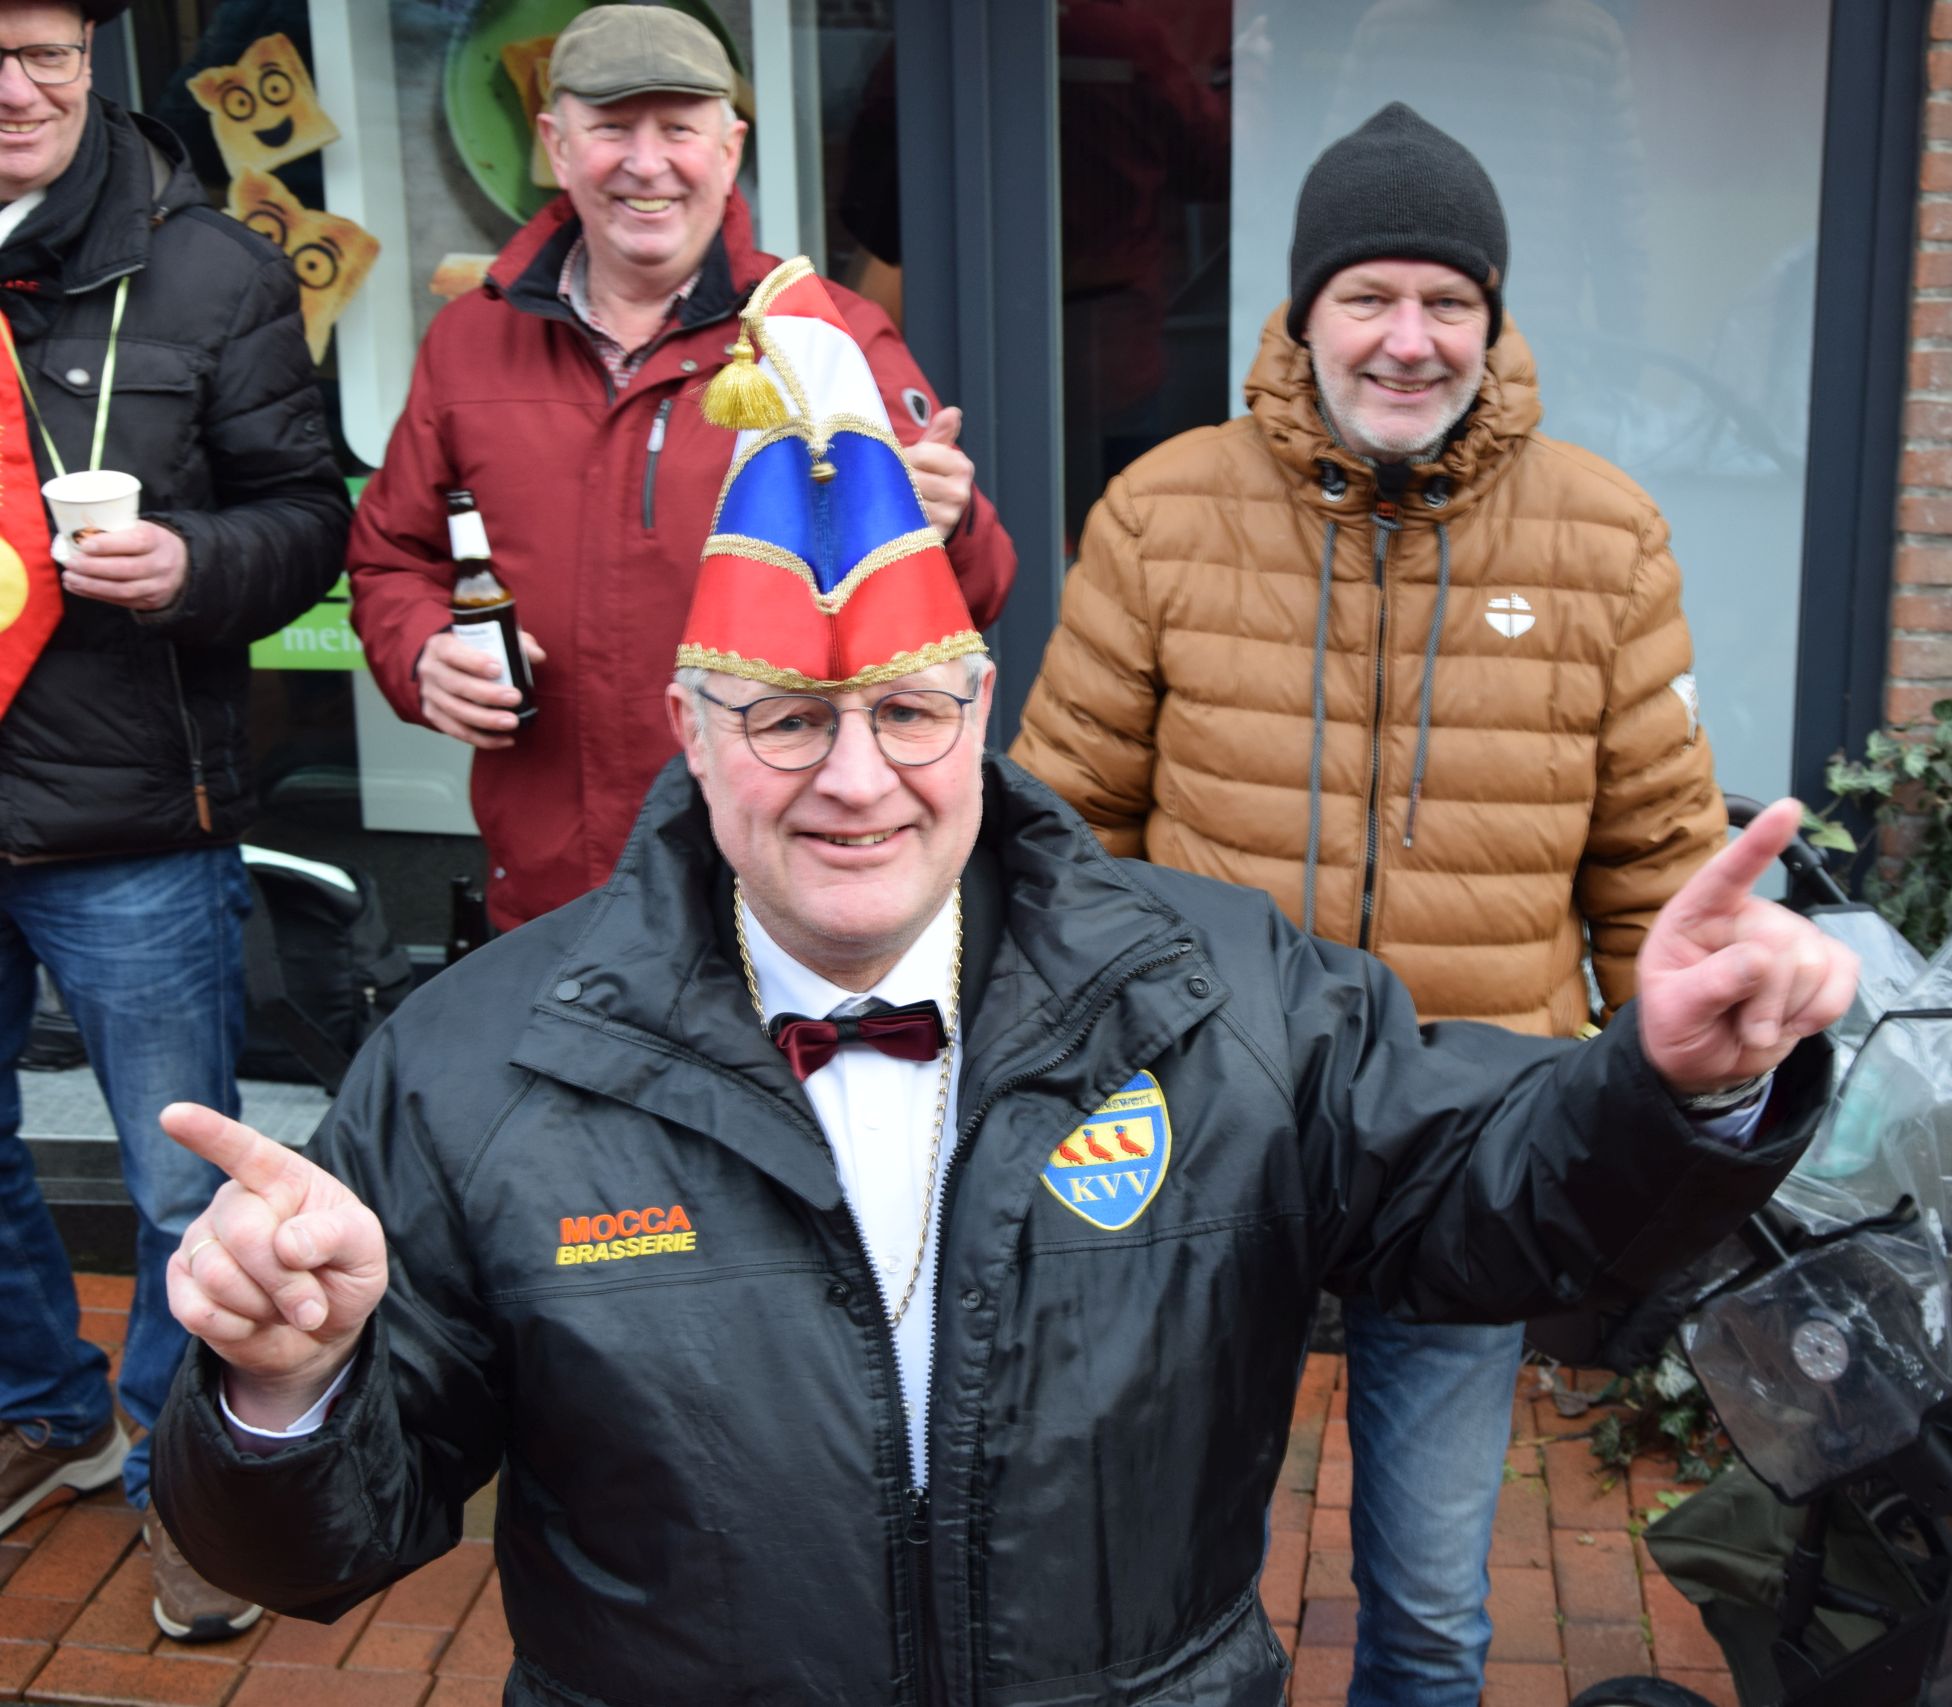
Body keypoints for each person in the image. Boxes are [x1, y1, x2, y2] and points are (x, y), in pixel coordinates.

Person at [148, 261, 1856, 1705]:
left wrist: (1675, 1083)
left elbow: (1496, 1200)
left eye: (908, 712)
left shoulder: (1223, 996)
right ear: (690, 731)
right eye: (787, 719)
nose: (857, 781)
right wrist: (284, 1391)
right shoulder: (472, 1067)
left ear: (978, 710)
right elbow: (320, 1544)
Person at [1010, 101, 1724, 1703]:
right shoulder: (1162, 514)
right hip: (1212, 1125)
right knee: (1171, 1579)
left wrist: (1664, 1118)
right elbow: (1060, 838)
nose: (1409, 339)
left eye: (1447, 299)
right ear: (1303, 310)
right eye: (1369, 296)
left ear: (1492, 315)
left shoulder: (1606, 539)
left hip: (1469, 1131)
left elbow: (1654, 862)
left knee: (1434, 1606)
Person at [347, 4, 1016, 933]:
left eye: (679, 129)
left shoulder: (822, 336)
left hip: (772, 887)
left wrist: (949, 524)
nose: (647, 163)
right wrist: (421, 650)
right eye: (611, 127)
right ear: (556, 144)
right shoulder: (469, 342)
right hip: (550, 885)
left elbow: (972, 599)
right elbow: (391, 559)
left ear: (730, 147)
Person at [0, 0, 350, 1644]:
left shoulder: (209, 269)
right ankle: (44, 1407)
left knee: (175, 1185)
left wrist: (195, 563)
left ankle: (187, 1480)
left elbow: (310, 514)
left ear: (91, 65)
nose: (14, 89)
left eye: (44, 53)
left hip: (132, 814)